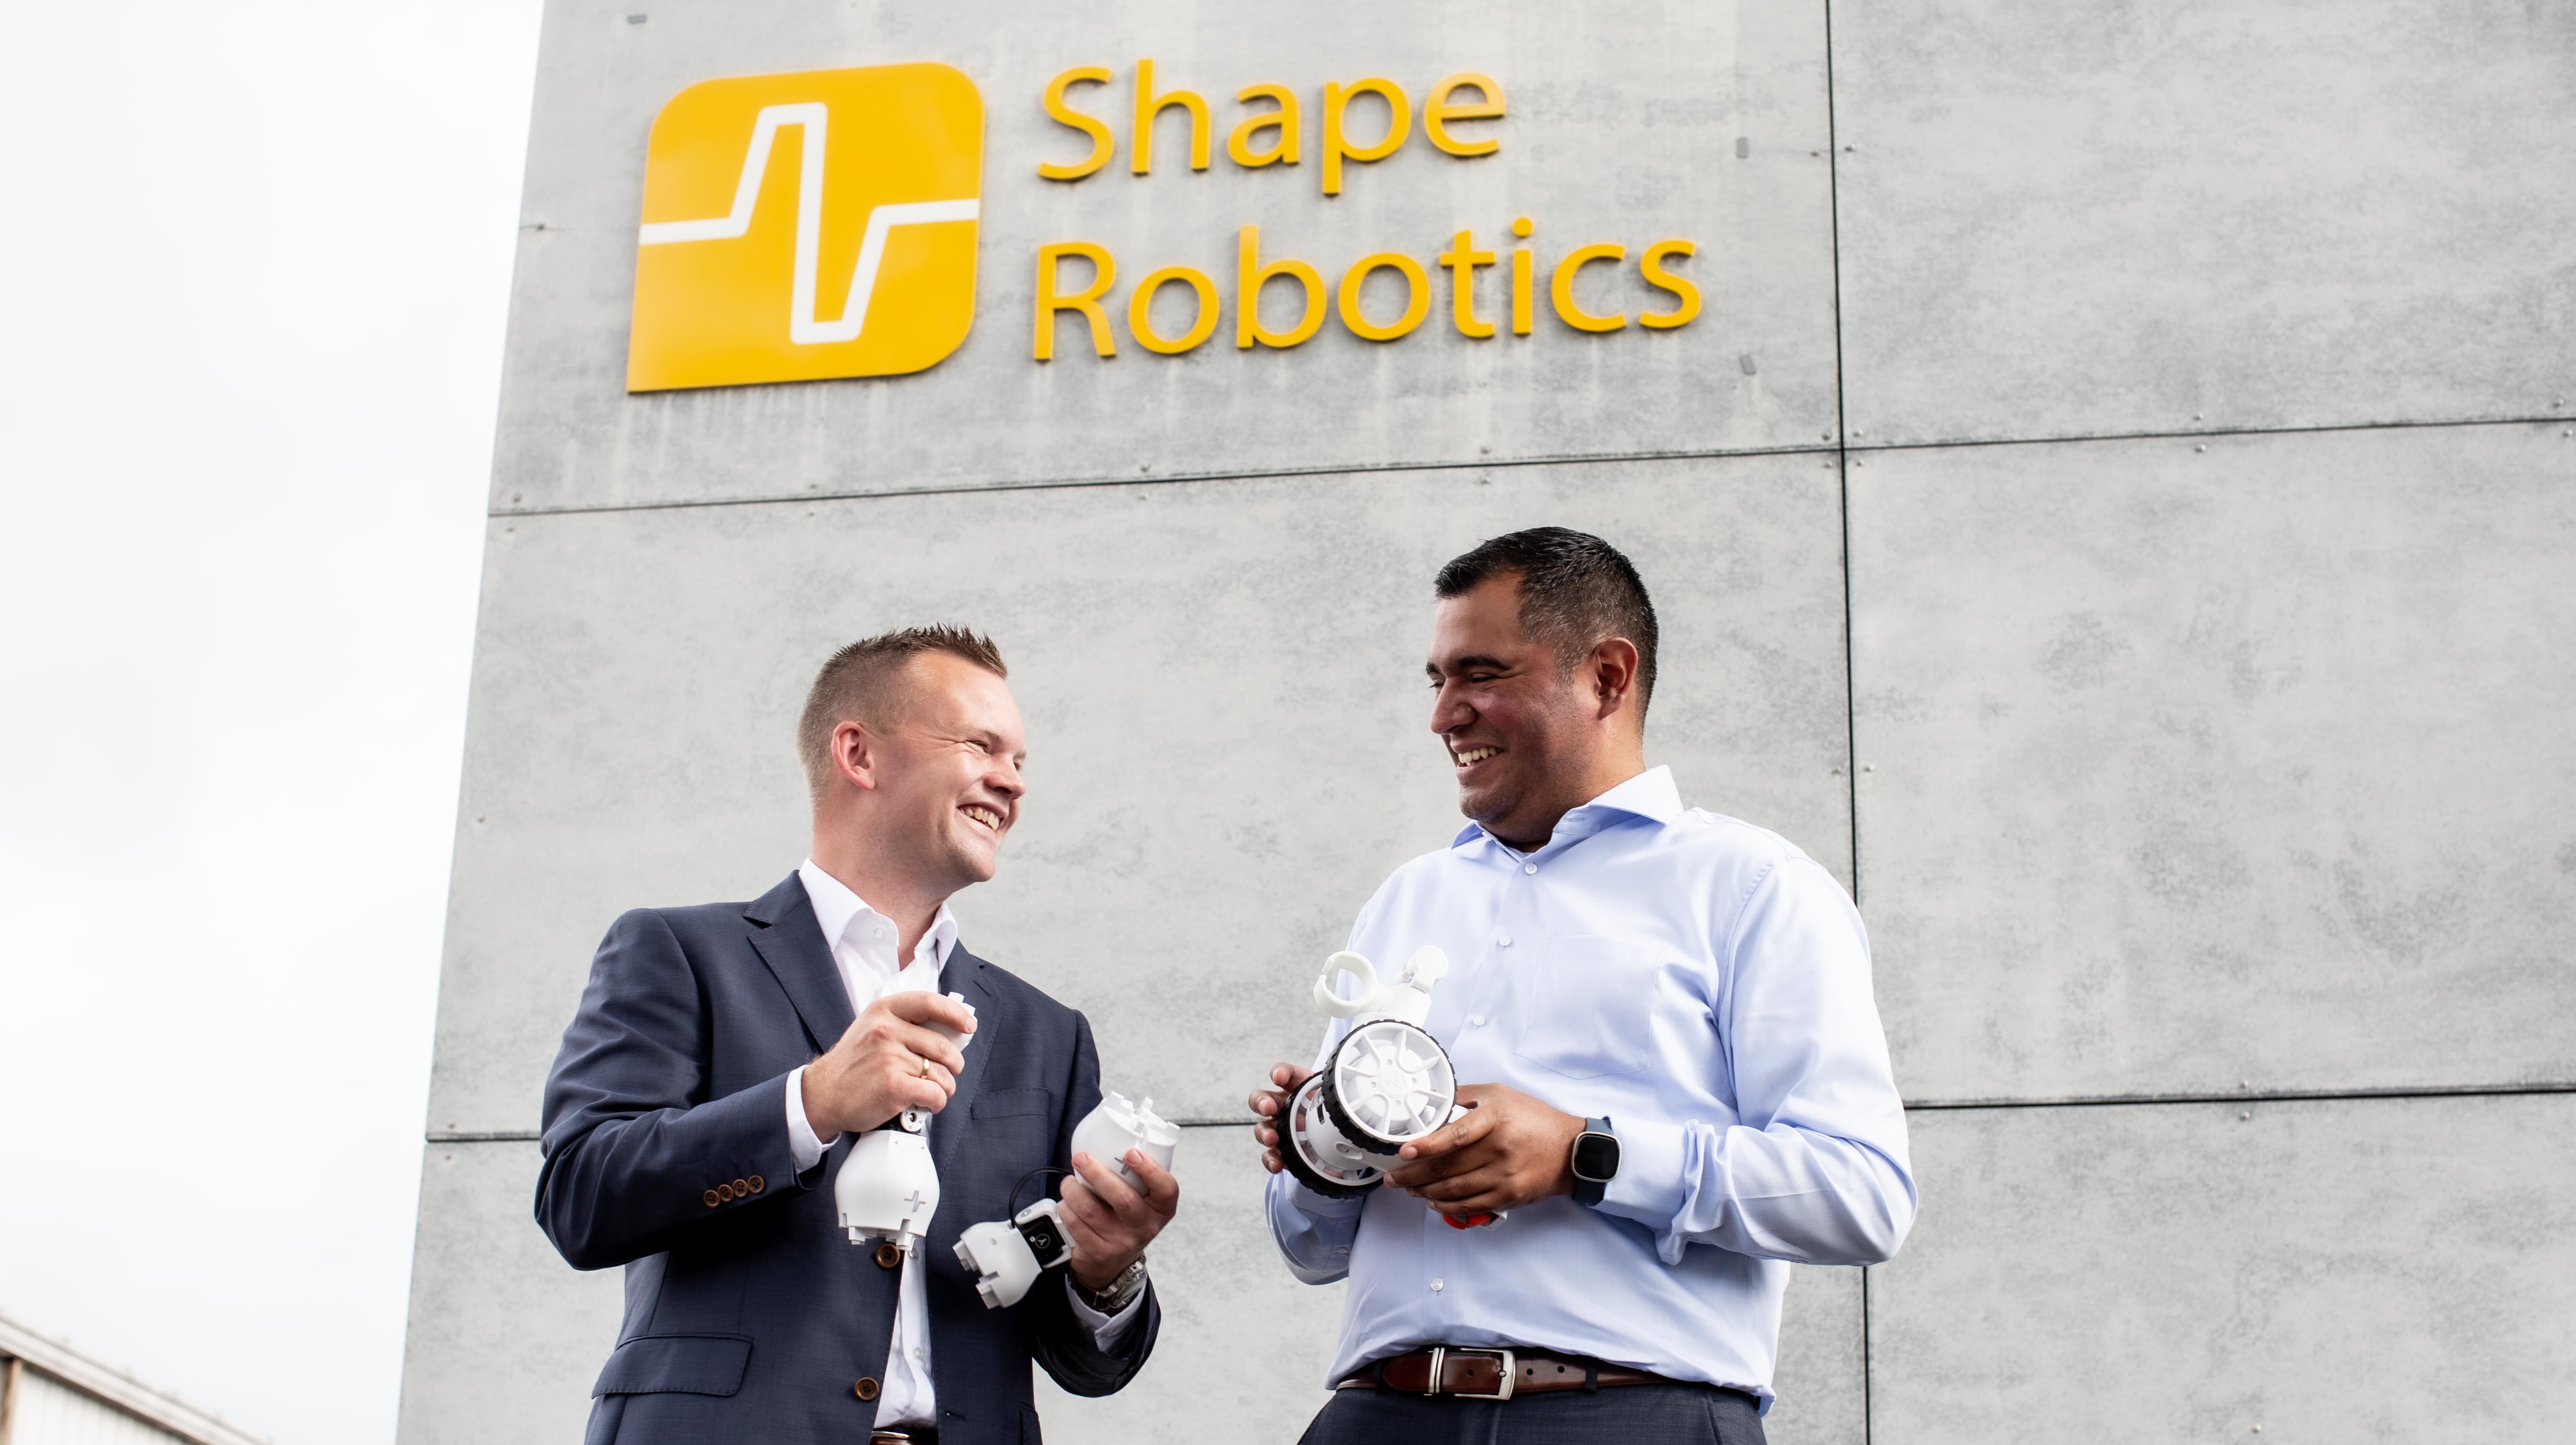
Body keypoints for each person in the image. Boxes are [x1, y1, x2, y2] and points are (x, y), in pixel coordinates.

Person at [1250, 528, 1915, 1445]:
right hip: (1374, 1418)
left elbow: (1863, 1196)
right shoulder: (1407, 899)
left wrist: (1586, 1154)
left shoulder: (1753, 887)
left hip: (1633, 1417)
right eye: (1436, 679)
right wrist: (1327, 1150)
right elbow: (1309, 1249)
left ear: (1606, 676)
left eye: (1480, 673)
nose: (1443, 715)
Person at [538, 627, 1177, 1445]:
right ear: (859, 754)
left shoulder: (1047, 1033)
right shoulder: (680, 953)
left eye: (1019, 760)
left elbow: (1088, 1365)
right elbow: (580, 1197)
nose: (1011, 781)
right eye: (979, 745)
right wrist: (809, 1103)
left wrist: (1105, 1267)